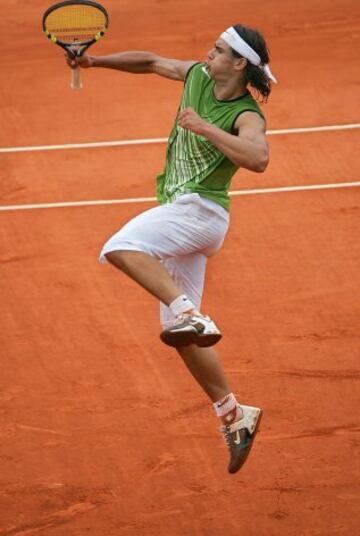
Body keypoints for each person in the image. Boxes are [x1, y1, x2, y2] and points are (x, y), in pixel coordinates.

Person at [67, 24, 276, 473]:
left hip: (201, 212)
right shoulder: (199, 76)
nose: (208, 52)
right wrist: (95, 61)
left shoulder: (246, 114)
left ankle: (191, 313)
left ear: (239, 64)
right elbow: (151, 62)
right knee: (179, 335)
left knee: (122, 245)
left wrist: (204, 127)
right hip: (183, 211)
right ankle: (235, 416)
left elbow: (258, 158)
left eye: (218, 50)